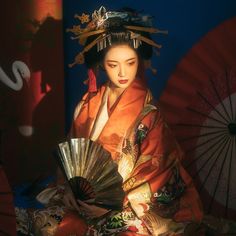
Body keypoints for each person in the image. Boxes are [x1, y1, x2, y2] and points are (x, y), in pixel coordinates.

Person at [16, 6, 204, 236]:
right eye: (113, 65)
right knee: (45, 224)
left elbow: (158, 177)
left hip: (134, 206)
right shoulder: (88, 104)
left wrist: (112, 204)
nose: (123, 72)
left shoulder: (149, 114)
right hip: (86, 204)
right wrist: (70, 191)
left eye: (130, 62)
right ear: (101, 63)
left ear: (140, 62)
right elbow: (71, 160)